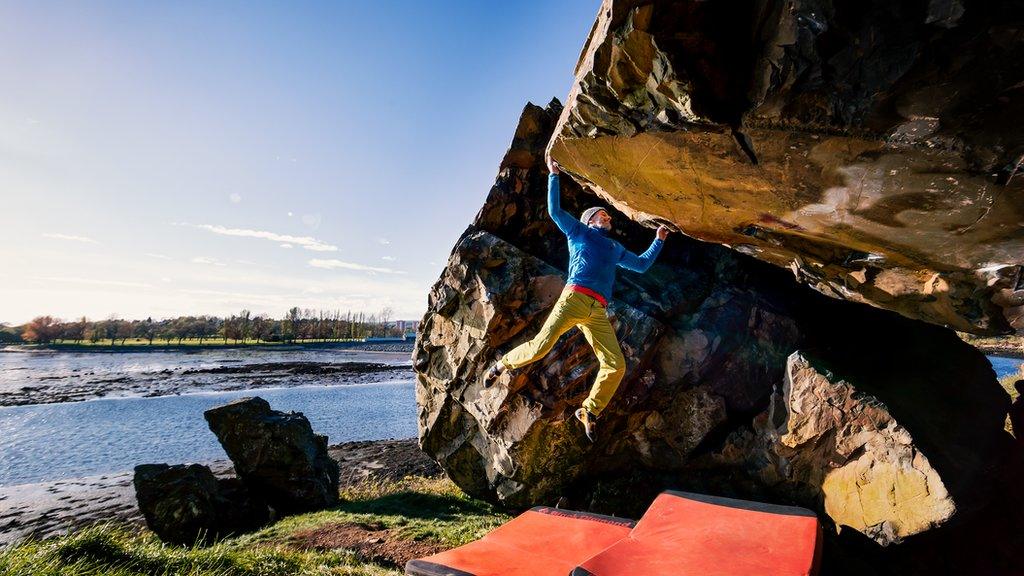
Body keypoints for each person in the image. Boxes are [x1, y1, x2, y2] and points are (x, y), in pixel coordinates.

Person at [484, 156, 670, 441]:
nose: (608, 217)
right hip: (574, 299)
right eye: (603, 215)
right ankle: (501, 365)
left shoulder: (615, 247)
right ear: (590, 219)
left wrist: (658, 240)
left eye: (608, 215)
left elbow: (642, 265)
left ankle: (590, 411)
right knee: (540, 347)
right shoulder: (579, 232)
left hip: (597, 311)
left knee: (616, 364)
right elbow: (555, 211)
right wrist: (553, 175)